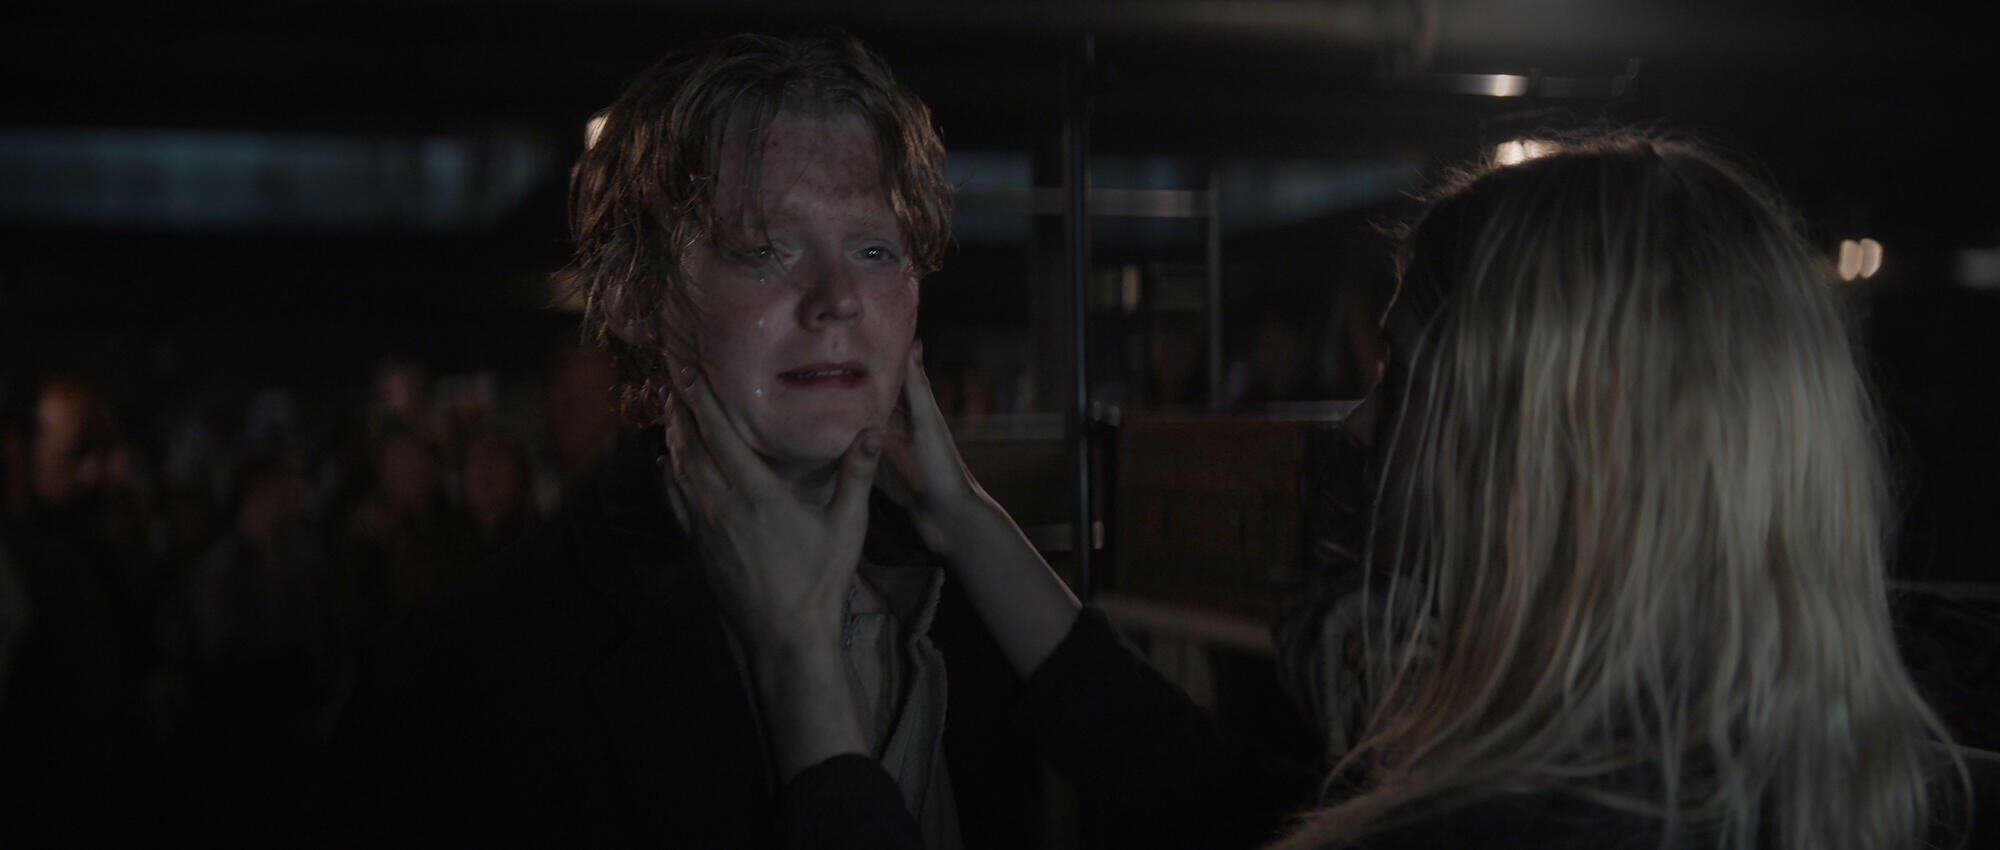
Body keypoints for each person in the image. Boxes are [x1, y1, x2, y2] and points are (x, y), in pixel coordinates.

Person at [692, 130, 1972, 850]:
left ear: (1544, 453)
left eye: (1402, 378)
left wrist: (805, 681)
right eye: (763, 248)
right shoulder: (1826, 764)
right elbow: (1230, 806)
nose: (1358, 427)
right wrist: (970, 525)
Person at [308, 31, 1050, 848]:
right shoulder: (458, 680)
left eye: (875, 249)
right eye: (765, 248)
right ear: (630, 295)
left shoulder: (981, 616)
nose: (838, 298)